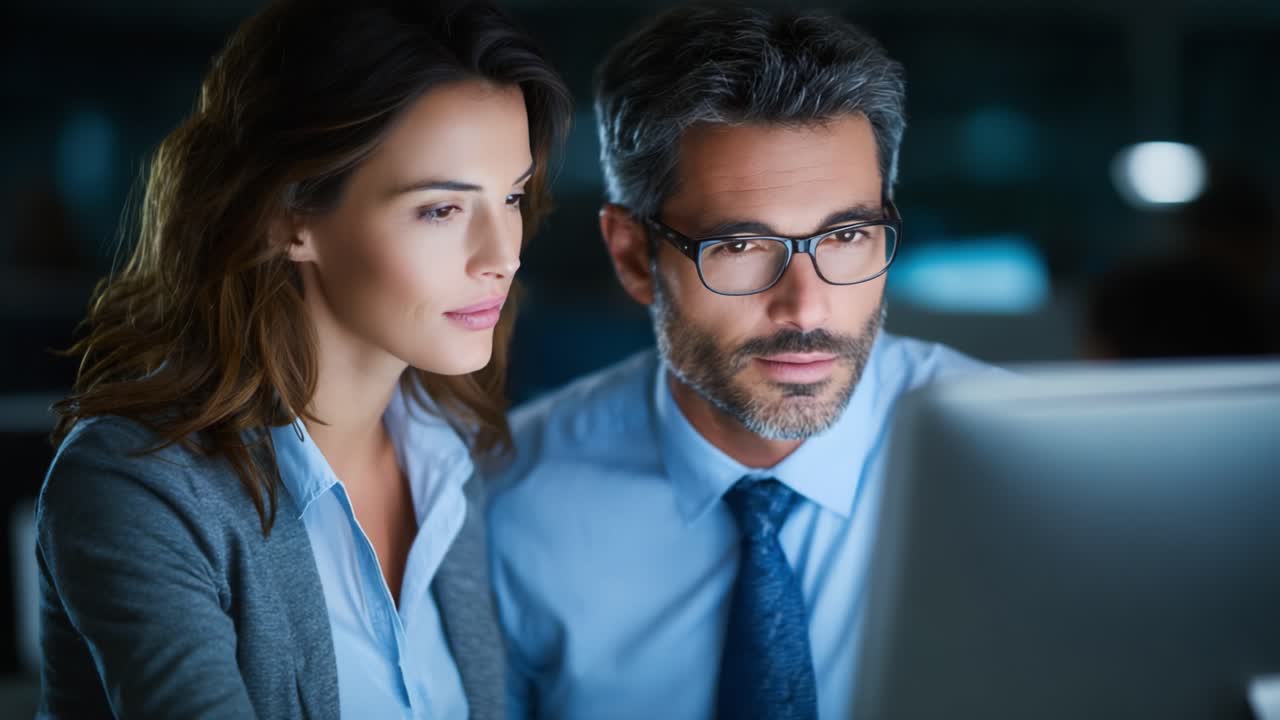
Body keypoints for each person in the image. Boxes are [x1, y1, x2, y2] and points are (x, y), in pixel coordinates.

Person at [36, 1, 569, 717]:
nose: (503, 255)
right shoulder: (139, 485)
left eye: (511, 197)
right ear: (286, 216)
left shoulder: (448, 454)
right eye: (441, 209)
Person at [486, 5, 993, 719]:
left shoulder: (1018, 469)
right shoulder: (509, 499)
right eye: (740, 247)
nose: (806, 309)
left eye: (847, 235)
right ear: (632, 257)